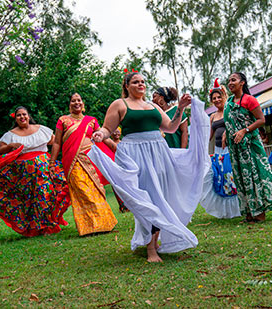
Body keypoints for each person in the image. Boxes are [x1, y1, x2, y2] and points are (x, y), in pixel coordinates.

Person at [89, 72, 210, 262]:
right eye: (136, 82)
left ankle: (155, 241)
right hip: (134, 154)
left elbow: (170, 127)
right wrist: (100, 135)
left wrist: (180, 108)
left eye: (143, 82)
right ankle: (151, 249)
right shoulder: (120, 104)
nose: (140, 85)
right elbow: (107, 129)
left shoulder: (152, 106)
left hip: (159, 153)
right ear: (127, 86)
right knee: (148, 198)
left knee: (160, 196)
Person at [0, 106, 69, 236]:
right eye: (19, 115)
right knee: (29, 201)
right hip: (24, 176)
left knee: (45, 194)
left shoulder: (42, 130)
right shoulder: (10, 135)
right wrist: (10, 146)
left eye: (24, 114)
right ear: (15, 119)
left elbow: (56, 142)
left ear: (28, 116)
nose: (22, 117)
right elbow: (1, 150)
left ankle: (47, 225)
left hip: (43, 170)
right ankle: (35, 227)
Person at [49, 93, 118, 236]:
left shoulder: (91, 120)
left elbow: (103, 137)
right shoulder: (63, 120)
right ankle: (88, 226)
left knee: (95, 189)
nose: (76, 103)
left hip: (90, 159)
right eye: (73, 101)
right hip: (72, 161)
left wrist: (118, 149)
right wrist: (52, 162)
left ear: (83, 104)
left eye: (79, 100)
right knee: (82, 190)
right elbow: (57, 142)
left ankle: (104, 224)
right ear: (70, 104)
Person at [224, 72, 272, 223]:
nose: (230, 83)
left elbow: (261, 120)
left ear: (242, 83)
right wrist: (226, 135)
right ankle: (249, 212)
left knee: (255, 176)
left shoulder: (249, 100)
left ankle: (260, 213)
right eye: (229, 80)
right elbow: (229, 122)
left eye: (233, 80)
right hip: (236, 147)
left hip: (250, 145)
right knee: (242, 178)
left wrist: (244, 130)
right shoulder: (229, 102)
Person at [200, 79, 240, 219]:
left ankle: (237, 209)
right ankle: (225, 211)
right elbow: (209, 137)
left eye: (219, 97)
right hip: (218, 152)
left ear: (224, 96)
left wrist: (227, 132)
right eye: (214, 98)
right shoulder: (212, 116)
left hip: (231, 151)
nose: (217, 100)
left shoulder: (231, 111)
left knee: (232, 180)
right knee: (221, 180)